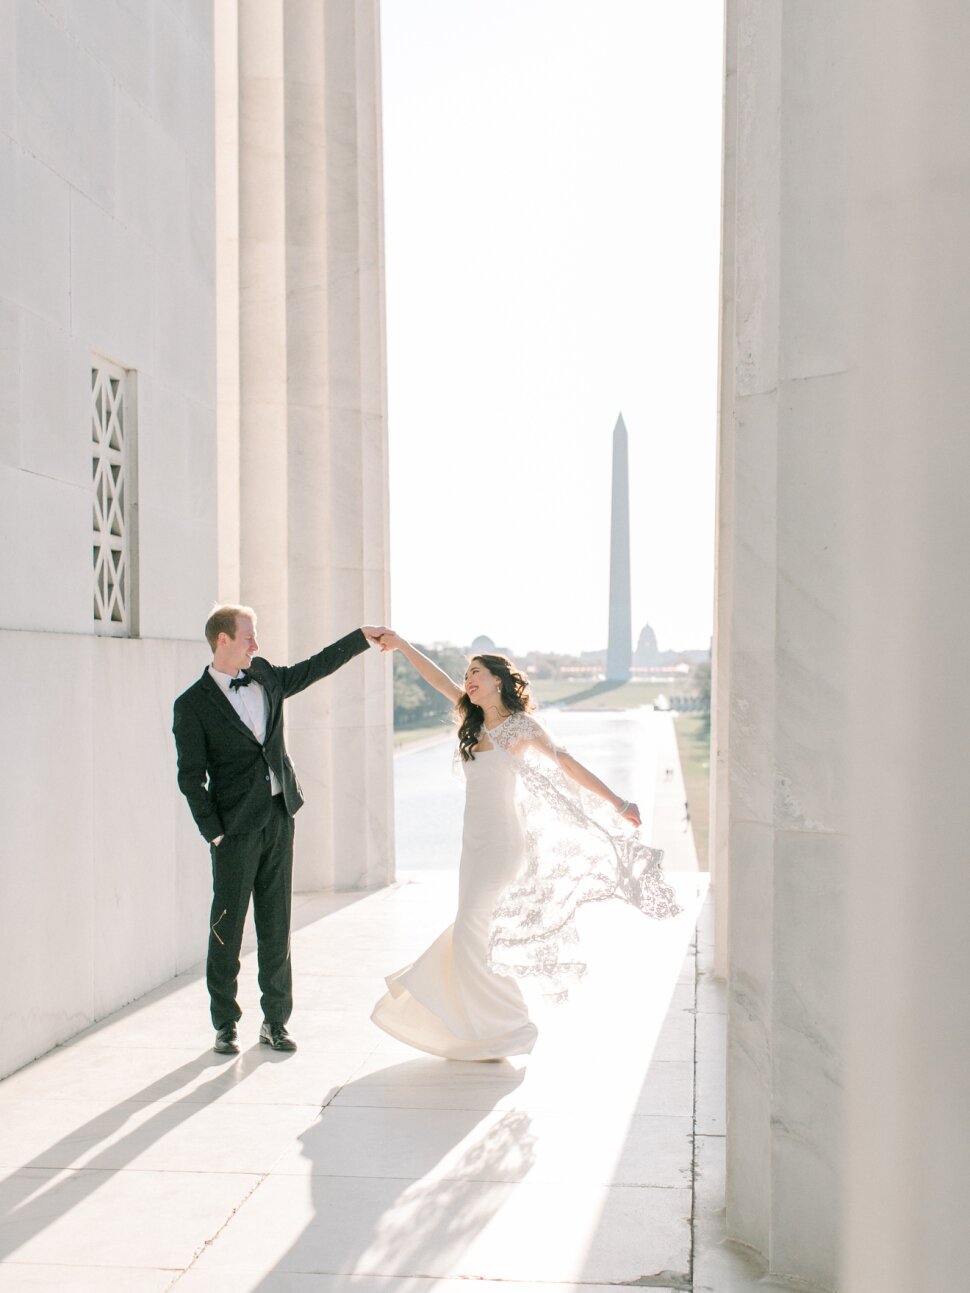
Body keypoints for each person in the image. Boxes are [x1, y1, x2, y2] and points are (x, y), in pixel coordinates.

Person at [370, 635, 680, 1061]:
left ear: (498, 680)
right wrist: (402, 645)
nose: (467, 680)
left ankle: (507, 1026)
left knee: (472, 928)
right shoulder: (471, 718)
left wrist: (618, 802)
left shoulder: (520, 726)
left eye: (475, 672)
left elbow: (567, 763)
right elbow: (436, 679)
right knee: (471, 929)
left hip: (502, 841)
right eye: (466, 675)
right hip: (472, 841)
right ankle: (477, 1028)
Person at [173, 605, 388, 1055]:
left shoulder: (266, 675)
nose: (257, 644)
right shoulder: (191, 705)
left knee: (277, 925)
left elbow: (313, 669)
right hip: (233, 831)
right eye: (249, 637)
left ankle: (275, 1021)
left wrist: (358, 638)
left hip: (278, 816)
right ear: (222, 640)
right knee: (226, 928)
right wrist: (214, 832)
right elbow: (190, 777)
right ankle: (225, 1024)